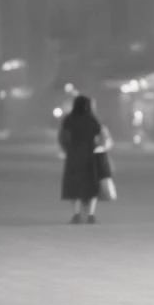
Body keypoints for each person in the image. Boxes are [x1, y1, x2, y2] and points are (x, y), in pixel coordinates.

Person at [58, 94, 112, 223]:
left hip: (73, 157)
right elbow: (102, 137)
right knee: (92, 187)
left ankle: (76, 214)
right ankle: (91, 215)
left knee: (74, 185)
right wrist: (99, 148)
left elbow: (62, 138)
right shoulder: (93, 120)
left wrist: (68, 149)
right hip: (91, 157)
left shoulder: (69, 120)